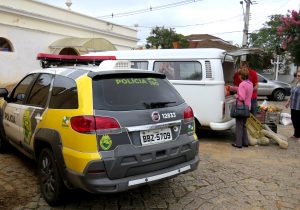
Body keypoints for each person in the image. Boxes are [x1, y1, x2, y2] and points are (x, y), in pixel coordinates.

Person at [231, 67, 253, 148]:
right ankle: (245, 142)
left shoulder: (242, 84)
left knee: (239, 126)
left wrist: (235, 95)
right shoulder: (250, 83)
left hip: (240, 107)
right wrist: (233, 88)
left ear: (241, 76)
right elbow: (244, 90)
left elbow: (242, 97)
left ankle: (238, 143)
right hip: (247, 107)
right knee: (243, 125)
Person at [285, 69, 300, 141]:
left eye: (299, 76)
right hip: (294, 105)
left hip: (299, 106)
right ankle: (296, 134)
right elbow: (292, 94)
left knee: (298, 121)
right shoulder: (296, 83)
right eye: (297, 76)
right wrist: (288, 102)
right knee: (294, 120)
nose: (298, 77)